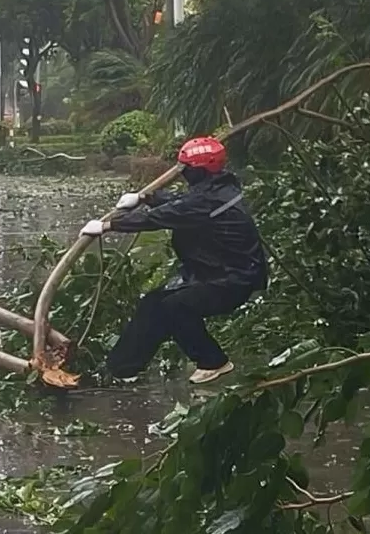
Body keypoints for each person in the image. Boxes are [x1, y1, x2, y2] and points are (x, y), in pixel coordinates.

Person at [79, 136, 268, 385]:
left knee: (175, 307)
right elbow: (182, 203)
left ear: (201, 170)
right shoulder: (220, 188)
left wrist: (108, 225)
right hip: (213, 273)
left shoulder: (208, 199)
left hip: (234, 280)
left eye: (187, 169)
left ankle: (214, 362)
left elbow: (159, 218)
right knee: (153, 303)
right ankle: (119, 371)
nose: (183, 173)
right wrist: (145, 198)